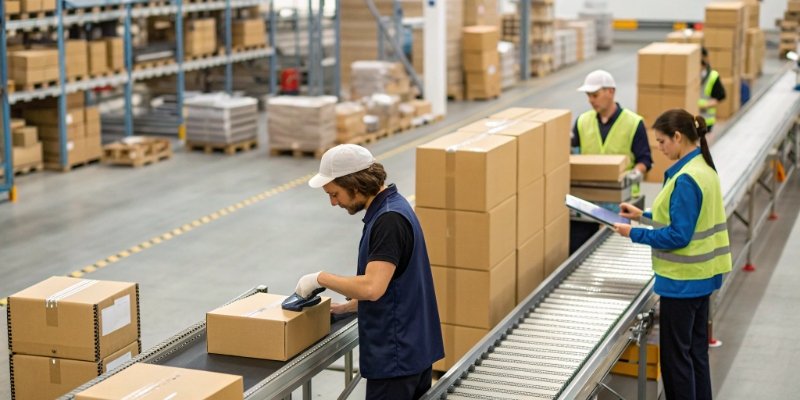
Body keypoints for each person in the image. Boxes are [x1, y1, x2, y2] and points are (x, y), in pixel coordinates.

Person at [294, 144, 444, 400]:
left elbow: (373, 288)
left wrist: (319, 278)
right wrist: (348, 307)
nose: (333, 203)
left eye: (335, 193)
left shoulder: (388, 220)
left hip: (396, 359)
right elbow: (398, 284)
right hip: (414, 349)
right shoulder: (396, 206)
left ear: (355, 184)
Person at [613, 109, 732, 400]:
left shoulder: (687, 178)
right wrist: (642, 216)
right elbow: (679, 217)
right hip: (702, 279)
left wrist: (633, 233)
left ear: (678, 137)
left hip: (683, 284)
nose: (661, 149)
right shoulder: (703, 168)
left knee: (676, 362)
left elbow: (679, 235)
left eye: (662, 142)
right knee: (695, 355)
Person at [570, 69, 653, 253]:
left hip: (619, 205)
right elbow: (573, 154)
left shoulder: (633, 123)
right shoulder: (582, 121)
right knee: (578, 250)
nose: (591, 100)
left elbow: (645, 159)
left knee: (614, 253)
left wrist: (633, 175)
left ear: (611, 92)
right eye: (588, 96)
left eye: (595, 95)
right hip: (587, 203)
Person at [699, 47, 726, 131]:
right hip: (690, 121)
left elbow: (721, 96)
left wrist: (705, 105)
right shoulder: (690, 75)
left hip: (706, 121)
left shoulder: (712, 76)